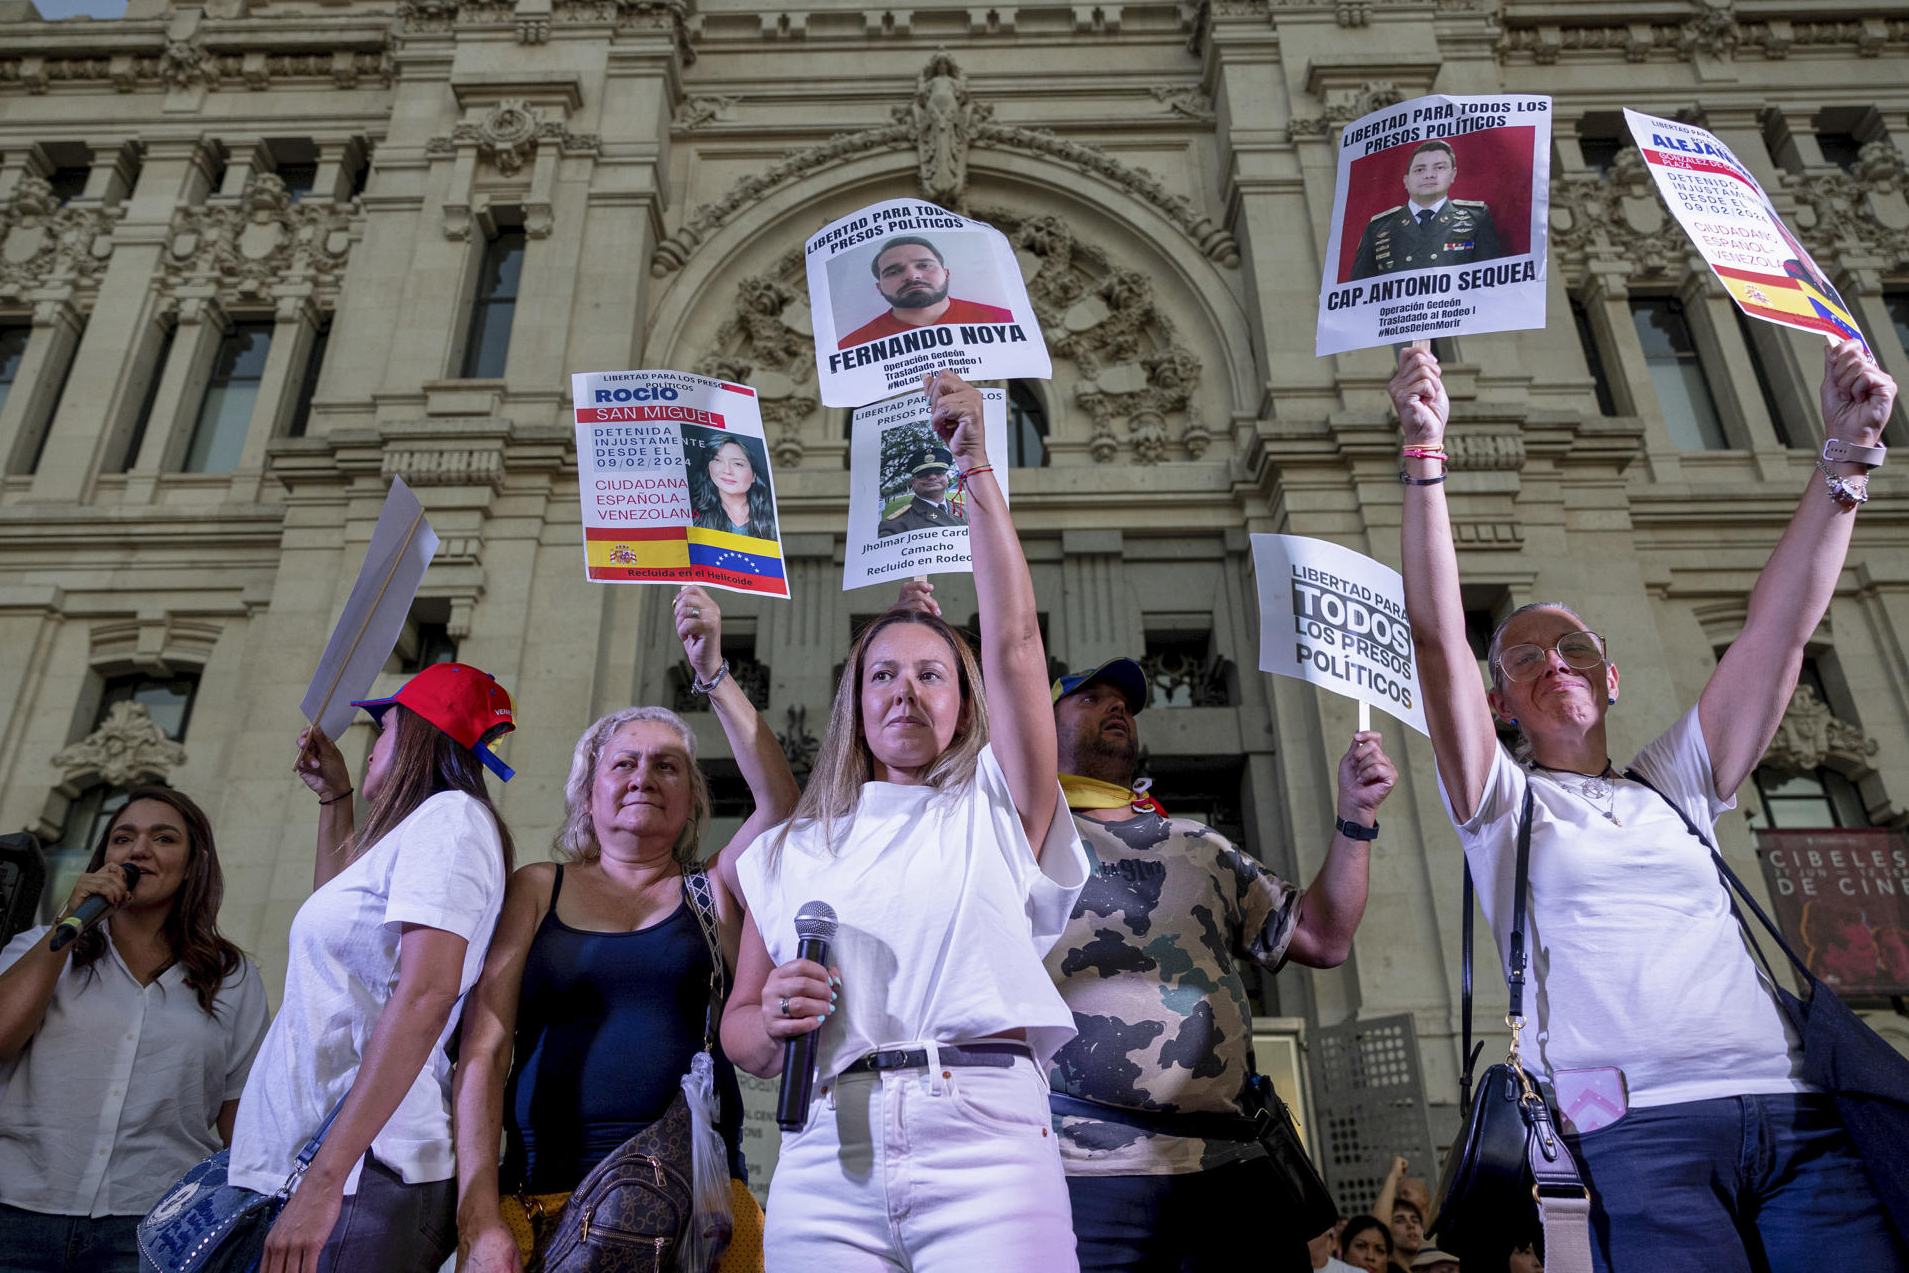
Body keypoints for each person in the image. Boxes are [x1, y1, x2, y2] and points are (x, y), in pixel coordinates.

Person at [1391, 339, 1906, 1272]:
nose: (1554, 662)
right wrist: (1426, 459)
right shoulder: (1502, 805)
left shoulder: (1674, 782)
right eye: (1523, 657)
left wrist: (1848, 457)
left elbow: (1778, 632)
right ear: (1497, 701)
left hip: (1793, 1116)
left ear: (1611, 676)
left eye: (1573, 648)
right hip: (1633, 1138)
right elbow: (1433, 638)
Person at [724, 368, 1089, 1272]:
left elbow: (1012, 645)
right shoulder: (785, 851)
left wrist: (975, 476)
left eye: (933, 674)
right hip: (823, 1154)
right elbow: (740, 1030)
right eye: (884, 674)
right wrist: (771, 1018)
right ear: (855, 700)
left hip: (986, 1144)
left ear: (965, 706)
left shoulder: (1001, 807)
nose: (907, 691)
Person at [454, 585, 800, 1273]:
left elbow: (781, 803)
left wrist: (713, 674)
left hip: (700, 1210)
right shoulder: (536, 887)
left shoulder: (716, 888)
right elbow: (484, 1052)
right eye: (625, 762)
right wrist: (477, 1213)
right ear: (590, 791)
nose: (646, 775)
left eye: (668, 765)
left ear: (691, 797)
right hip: (543, 1199)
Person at [1032, 652, 1395, 1272]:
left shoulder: (1201, 845)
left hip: (1229, 1171)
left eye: (1123, 702)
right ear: (1039, 723)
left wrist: (1355, 817)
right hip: (1082, 1172)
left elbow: (1324, 938)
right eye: (1089, 698)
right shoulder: (1016, 839)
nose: (1116, 706)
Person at [231, 662, 521, 1273]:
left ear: (418, 734)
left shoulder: (451, 821)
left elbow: (427, 993)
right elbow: (339, 937)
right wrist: (334, 800)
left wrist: (323, 1180)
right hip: (323, 1166)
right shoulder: (416, 831)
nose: (368, 748)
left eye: (383, 728)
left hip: (364, 1175)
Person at [0, 788, 268, 1273]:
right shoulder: (40, 947)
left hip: (150, 1228)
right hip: (12, 1215)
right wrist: (67, 923)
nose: (138, 851)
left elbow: (241, 1117)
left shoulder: (232, 975)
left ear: (194, 863)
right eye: (123, 838)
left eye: (163, 838)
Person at [1349, 140, 1502, 280]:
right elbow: (1356, 293)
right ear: (1406, 180)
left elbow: (1492, 279)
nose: (1429, 175)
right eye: (1420, 170)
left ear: (1453, 174)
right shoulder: (1378, 228)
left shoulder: (1475, 218)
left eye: (1439, 167)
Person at [837, 235, 1015, 349]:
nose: (912, 275)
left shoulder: (1003, 322)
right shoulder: (852, 347)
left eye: (925, 265)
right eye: (893, 272)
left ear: (946, 274)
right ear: (879, 287)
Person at [691, 433, 777, 541]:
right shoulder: (695, 518)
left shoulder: (773, 520)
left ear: (754, 475)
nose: (727, 471)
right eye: (718, 460)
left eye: (738, 464)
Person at [878, 446, 966, 537]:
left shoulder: (965, 510)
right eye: (924, 474)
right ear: (913, 483)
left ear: (947, 478)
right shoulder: (895, 525)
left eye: (938, 472)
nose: (932, 477)